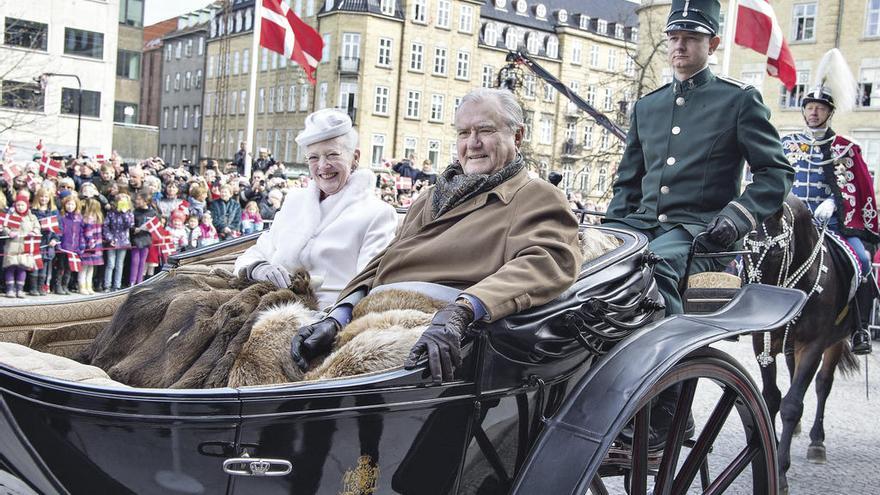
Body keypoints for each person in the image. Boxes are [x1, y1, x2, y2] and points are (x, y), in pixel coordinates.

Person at [290, 88, 584, 383]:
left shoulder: (535, 196)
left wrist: (465, 309)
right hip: (367, 316)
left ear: (517, 137)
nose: (473, 144)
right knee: (273, 349)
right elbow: (386, 260)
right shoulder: (431, 197)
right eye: (464, 133)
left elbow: (545, 261)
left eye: (485, 130)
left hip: (429, 322)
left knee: (320, 387)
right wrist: (337, 316)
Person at [603, 0, 793, 447]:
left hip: (698, 233)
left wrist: (738, 216)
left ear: (714, 43)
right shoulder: (648, 108)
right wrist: (608, 236)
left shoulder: (738, 101)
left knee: (654, 271)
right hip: (643, 225)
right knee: (592, 273)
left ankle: (669, 408)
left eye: (691, 38)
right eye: (674, 37)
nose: (679, 46)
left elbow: (776, 173)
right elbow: (628, 184)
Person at [234, 108, 397, 309]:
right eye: (313, 158)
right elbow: (258, 251)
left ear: (355, 157)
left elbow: (369, 284)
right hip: (269, 304)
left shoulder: (377, 213)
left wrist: (334, 318)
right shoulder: (295, 201)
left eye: (332, 155)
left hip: (326, 318)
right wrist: (258, 268)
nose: (322, 166)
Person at [781, 48, 879, 354]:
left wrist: (836, 205)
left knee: (862, 261)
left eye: (819, 108)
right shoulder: (787, 144)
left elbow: (860, 189)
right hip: (791, 222)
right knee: (756, 255)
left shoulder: (846, 149)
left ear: (829, 112)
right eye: (809, 106)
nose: (813, 112)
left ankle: (859, 328)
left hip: (833, 226)